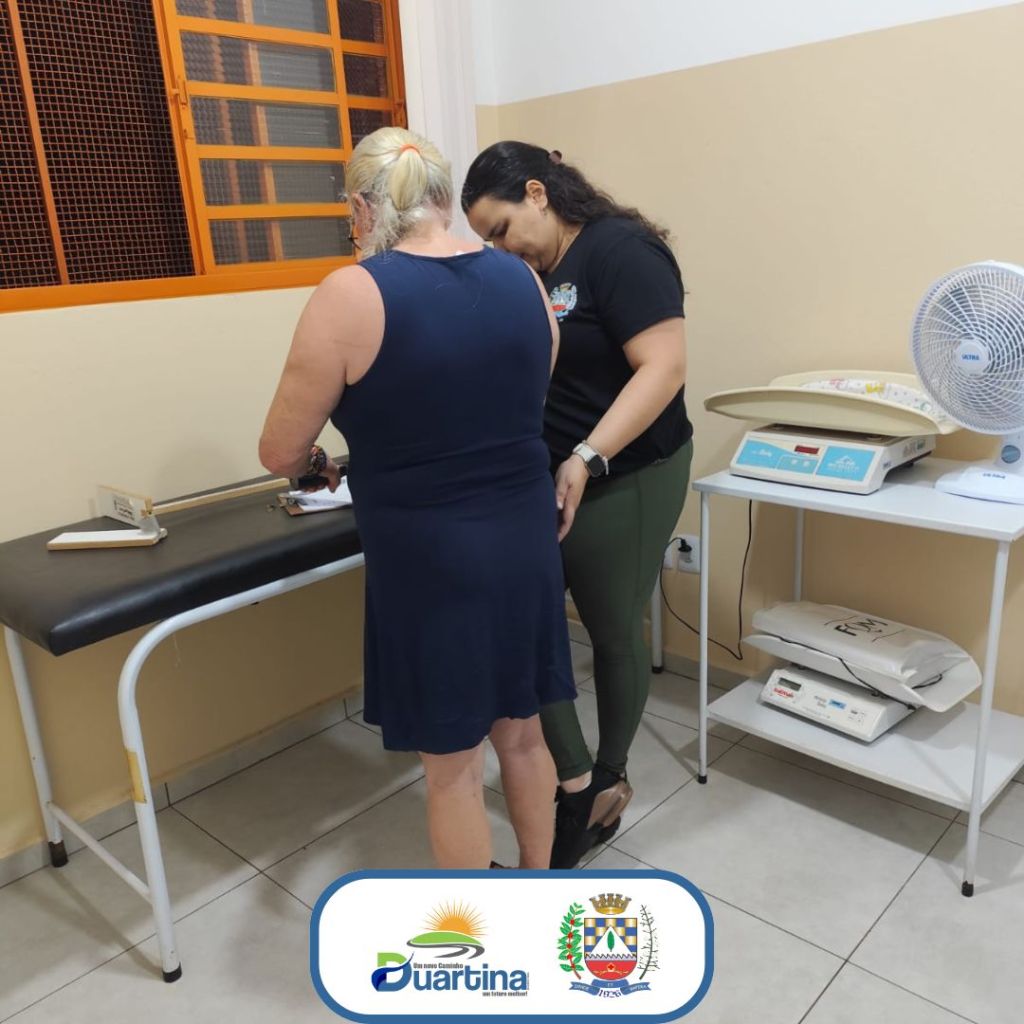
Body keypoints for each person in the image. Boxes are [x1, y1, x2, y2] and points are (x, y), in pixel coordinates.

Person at [259, 127, 576, 870]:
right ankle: (538, 889)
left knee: (454, 767)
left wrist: (320, 463)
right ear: (441, 198)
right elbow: (527, 391)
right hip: (523, 541)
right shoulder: (522, 279)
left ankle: (475, 929)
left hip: (433, 561)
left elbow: (280, 452)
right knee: (524, 734)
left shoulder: (351, 292)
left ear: (364, 209)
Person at [462, 141, 692, 869]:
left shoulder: (621, 251)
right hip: (549, 472)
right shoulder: (531, 273)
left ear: (538, 193)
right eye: (487, 240)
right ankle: (575, 779)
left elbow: (664, 367)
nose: (500, 249)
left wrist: (589, 456)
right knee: (524, 625)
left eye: (501, 229)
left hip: (628, 472)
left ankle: (608, 780)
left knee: (612, 626)